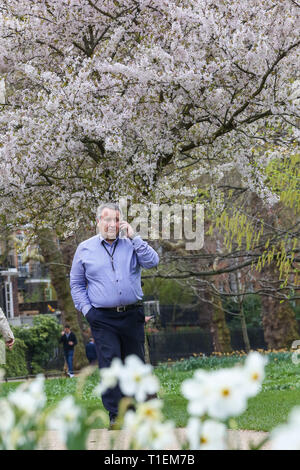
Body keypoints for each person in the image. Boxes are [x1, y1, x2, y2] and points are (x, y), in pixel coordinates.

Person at [70, 202, 159, 428]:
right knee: (110, 365)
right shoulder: (85, 249)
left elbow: (153, 262)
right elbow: (77, 284)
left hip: (131, 315)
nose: (112, 224)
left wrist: (135, 238)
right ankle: (116, 414)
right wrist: (88, 311)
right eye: (107, 219)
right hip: (102, 318)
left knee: (135, 363)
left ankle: (139, 409)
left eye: (117, 220)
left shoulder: (132, 244)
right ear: (98, 221)